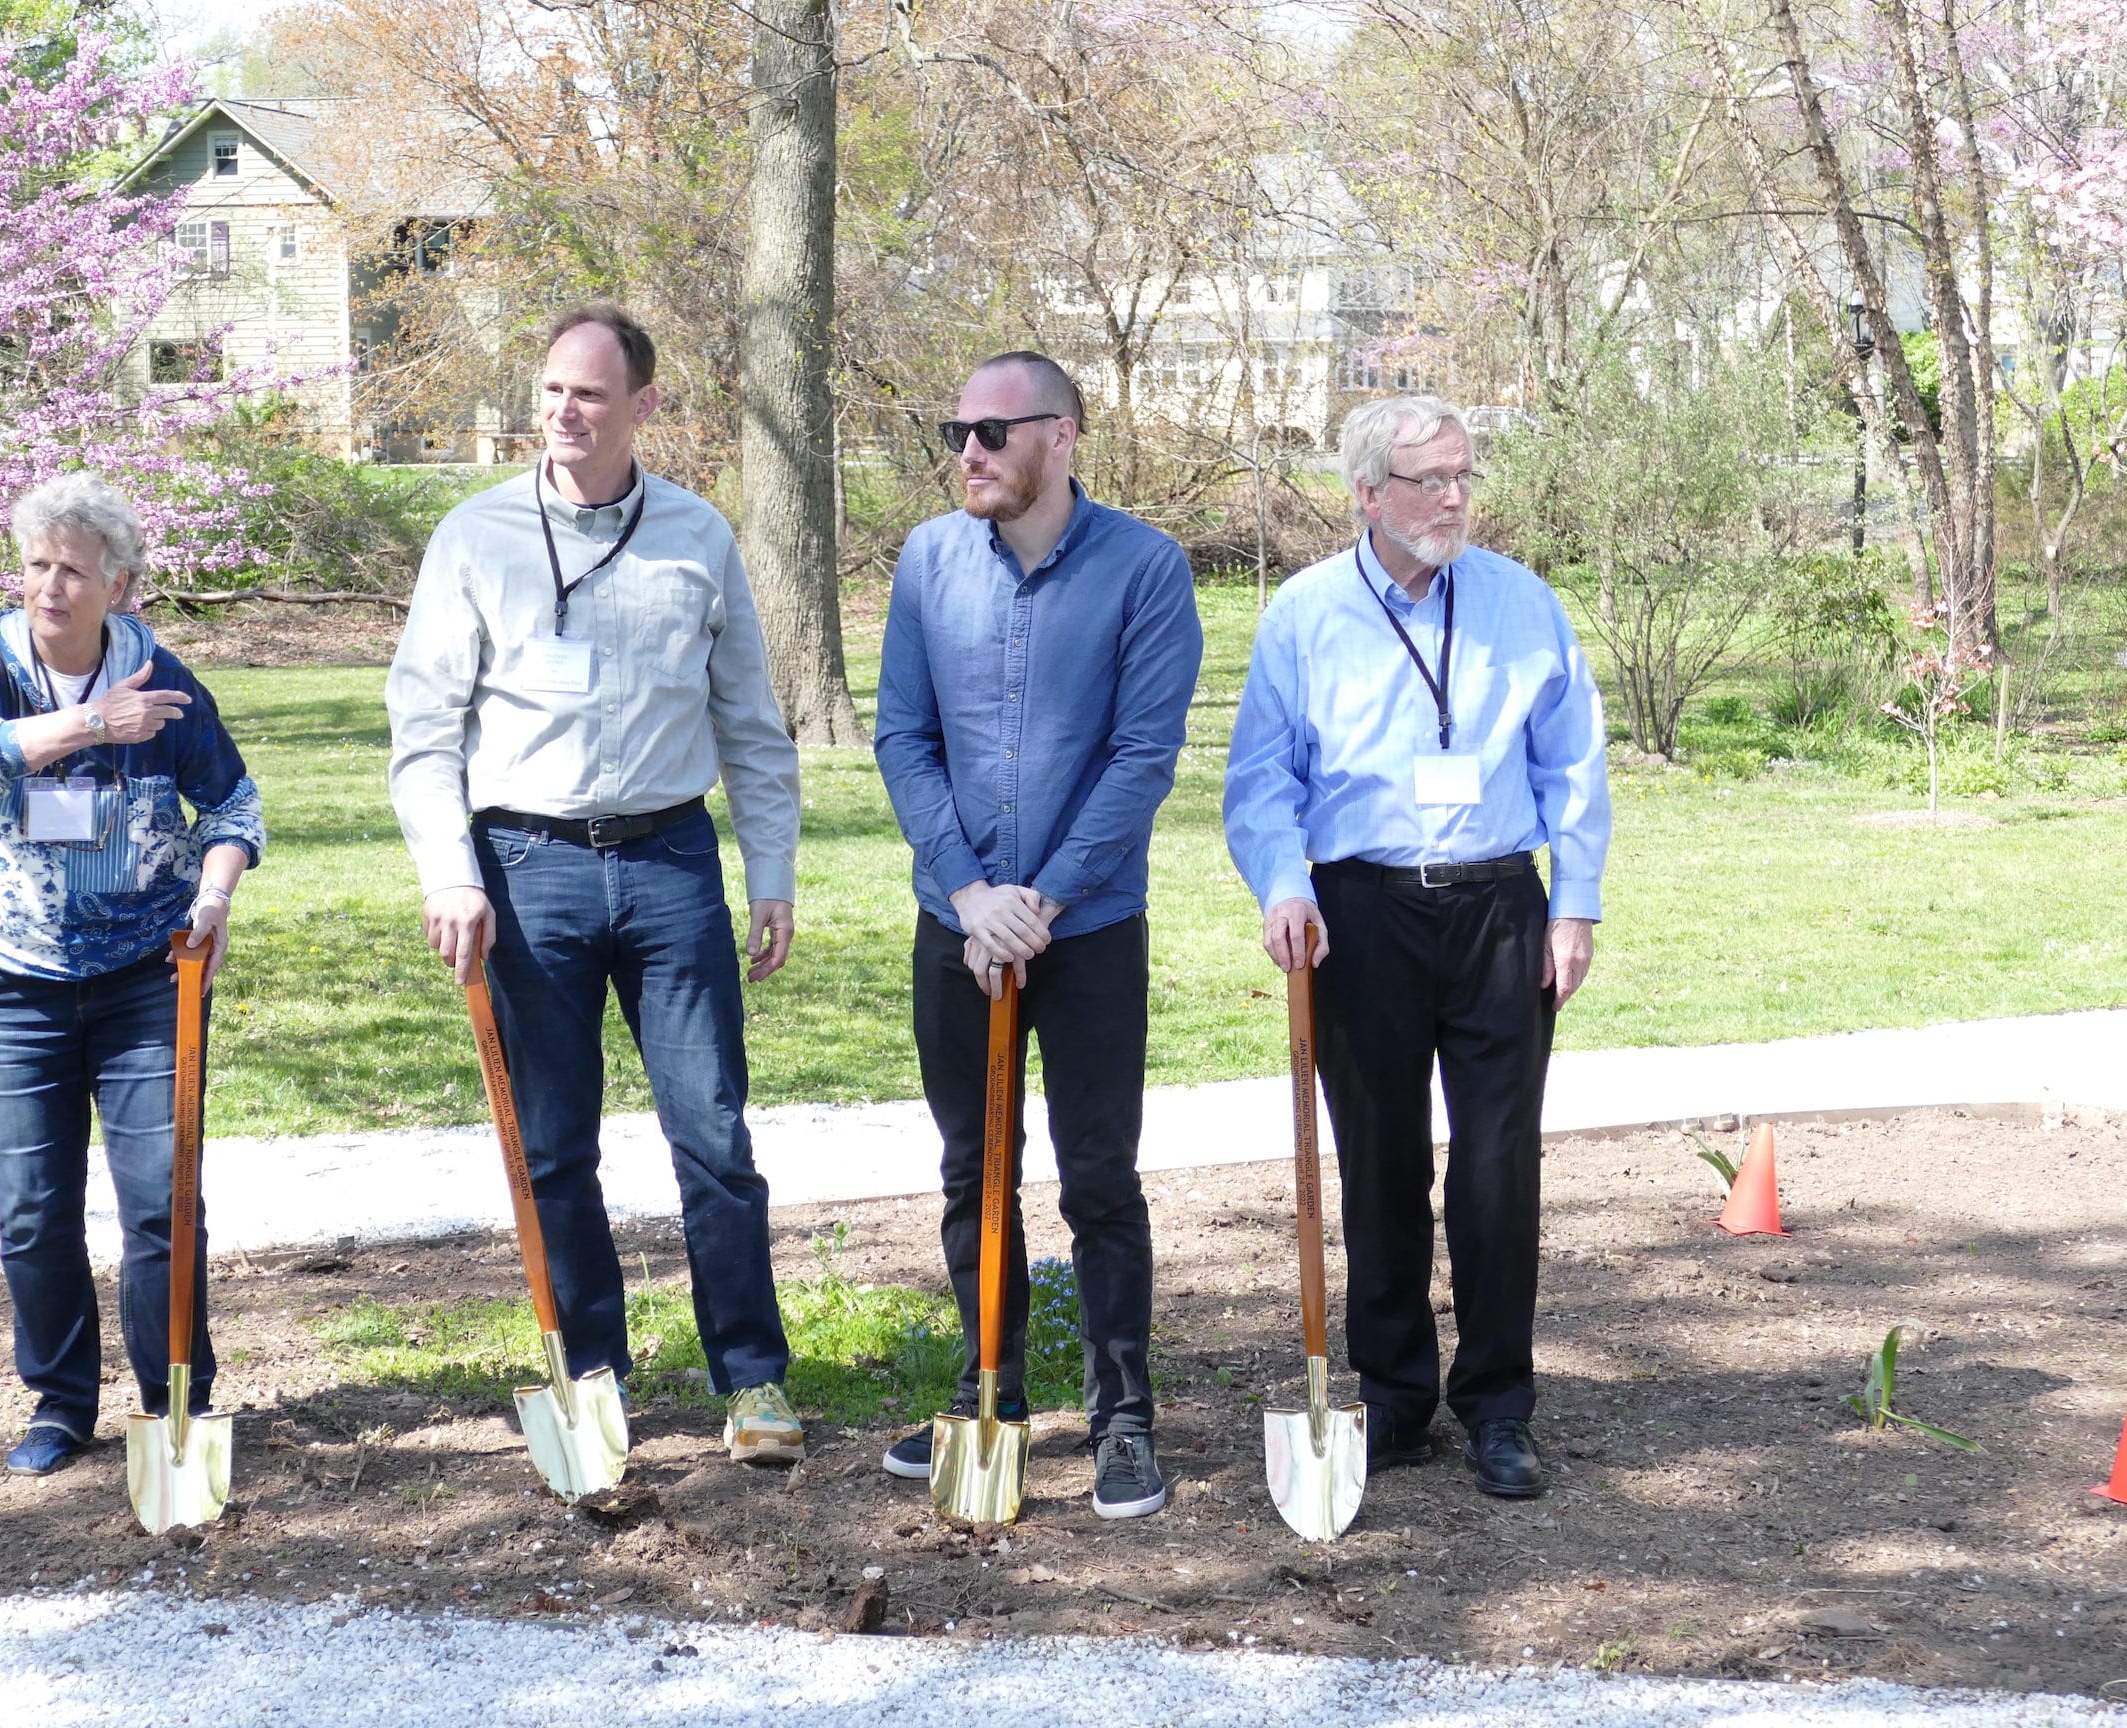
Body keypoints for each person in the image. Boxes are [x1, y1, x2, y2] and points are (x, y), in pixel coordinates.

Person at [386, 303, 807, 1464]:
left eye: (588, 394)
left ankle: (754, 1380)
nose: (564, 414)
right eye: (551, 393)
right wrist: (450, 873)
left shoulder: (697, 536)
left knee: (712, 1133)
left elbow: (751, 724)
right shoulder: (475, 538)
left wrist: (768, 870)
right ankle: (591, 1376)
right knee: (556, 1146)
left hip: (671, 863)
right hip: (528, 873)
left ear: (643, 406)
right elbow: (423, 729)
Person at [1223, 393, 1610, 1500]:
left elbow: (1571, 764)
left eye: (1462, 478)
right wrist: (1283, 884)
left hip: (1498, 910)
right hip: (1363, 912)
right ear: (1365, 494)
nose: (1451, 499)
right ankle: (1393, 1398)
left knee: (1497, 1169)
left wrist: (1572, 903)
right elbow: (1261, 777)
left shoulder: (1519, 603)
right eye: (1427, 481)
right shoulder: (1305, 614)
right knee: (1379, 1163)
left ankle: (1497, 1404)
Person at [871, 350, 1204, 1519]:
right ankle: (989, 1396)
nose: (969, 450)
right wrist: (968, 896)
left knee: (1100, 1179)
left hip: (1090, 928)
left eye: (992, 432)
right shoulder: (925, 561)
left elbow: (1141, 760)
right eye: (956, 429)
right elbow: (902, 741)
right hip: (955, 927)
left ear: (1059, 437)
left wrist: (1040, 902)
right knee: (976, 1170)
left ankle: (1122, 1418)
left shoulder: (1145, 570)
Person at [0, 473, 264, 1477]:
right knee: (34, 1206)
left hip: (144, 976)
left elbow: (236, 809)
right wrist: (90, 726)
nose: (49, 587)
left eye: (72, 569)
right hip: (0, 974)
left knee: (163, 1197)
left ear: (117, 583)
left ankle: (175, 1405)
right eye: (35, 565)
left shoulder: (164, 679)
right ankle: (60, 1404)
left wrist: (214, 900)